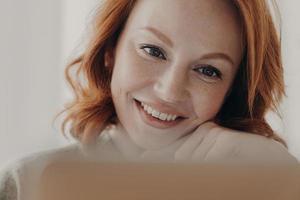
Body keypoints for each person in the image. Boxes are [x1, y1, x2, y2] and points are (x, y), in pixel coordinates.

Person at [0, 0, 298, 199]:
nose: (169, 91)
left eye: (208, 71)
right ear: (110, 51)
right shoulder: (26, 185)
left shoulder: (267, 187)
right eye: (153, 51)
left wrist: (285, 183)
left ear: (232, 91)